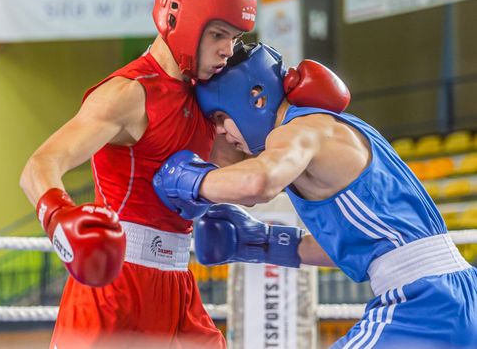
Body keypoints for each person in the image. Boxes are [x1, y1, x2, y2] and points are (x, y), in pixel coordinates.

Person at [153, 42, 477, 348]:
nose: (221, 132)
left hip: (424, 302)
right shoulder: (331, 130)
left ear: (255, 97)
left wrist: (188, 180)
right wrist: (263, 242)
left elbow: (258, 182)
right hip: (459, 291)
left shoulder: (300, 129)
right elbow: (366, 247)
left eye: (220, 117)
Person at [20, 0, 257, 348]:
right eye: (218, 35)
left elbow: (250, 178)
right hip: (116, 289)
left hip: (178, 284)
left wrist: (290, 115)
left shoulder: (204, 98)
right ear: (181, 21)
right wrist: (60, 219)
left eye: (233, 38)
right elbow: (40, 164)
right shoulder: (129, 94)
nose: (227, 51)